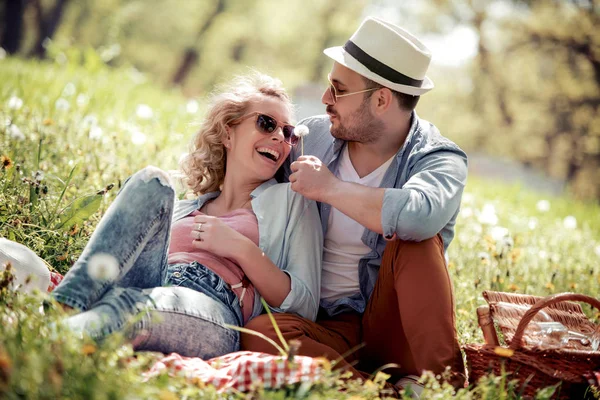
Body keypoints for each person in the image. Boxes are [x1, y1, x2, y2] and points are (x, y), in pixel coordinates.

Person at [241, 17, 468, 393]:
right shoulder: (310, 139)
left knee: (417, 240)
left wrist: (329, 188)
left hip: (394, 327)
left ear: (381, 100)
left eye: (338, 89)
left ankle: (447, 386)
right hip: (325, 326)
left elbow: (419, 215)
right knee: (259, 334)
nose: (325, 98)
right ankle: (382, 392)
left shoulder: (439, 158)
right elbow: (245, 176)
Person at [50, 72, 322, 359]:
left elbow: (304, 304)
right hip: (153, 280)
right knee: (152, 181)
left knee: (130, 307)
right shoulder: (188, 208)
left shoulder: (293, 200)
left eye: (288, 132)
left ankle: (44, 337)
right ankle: (63, 306)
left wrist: (241, 249)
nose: (279, 137)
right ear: (228, 132)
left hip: (213, 308)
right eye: (266, 123)